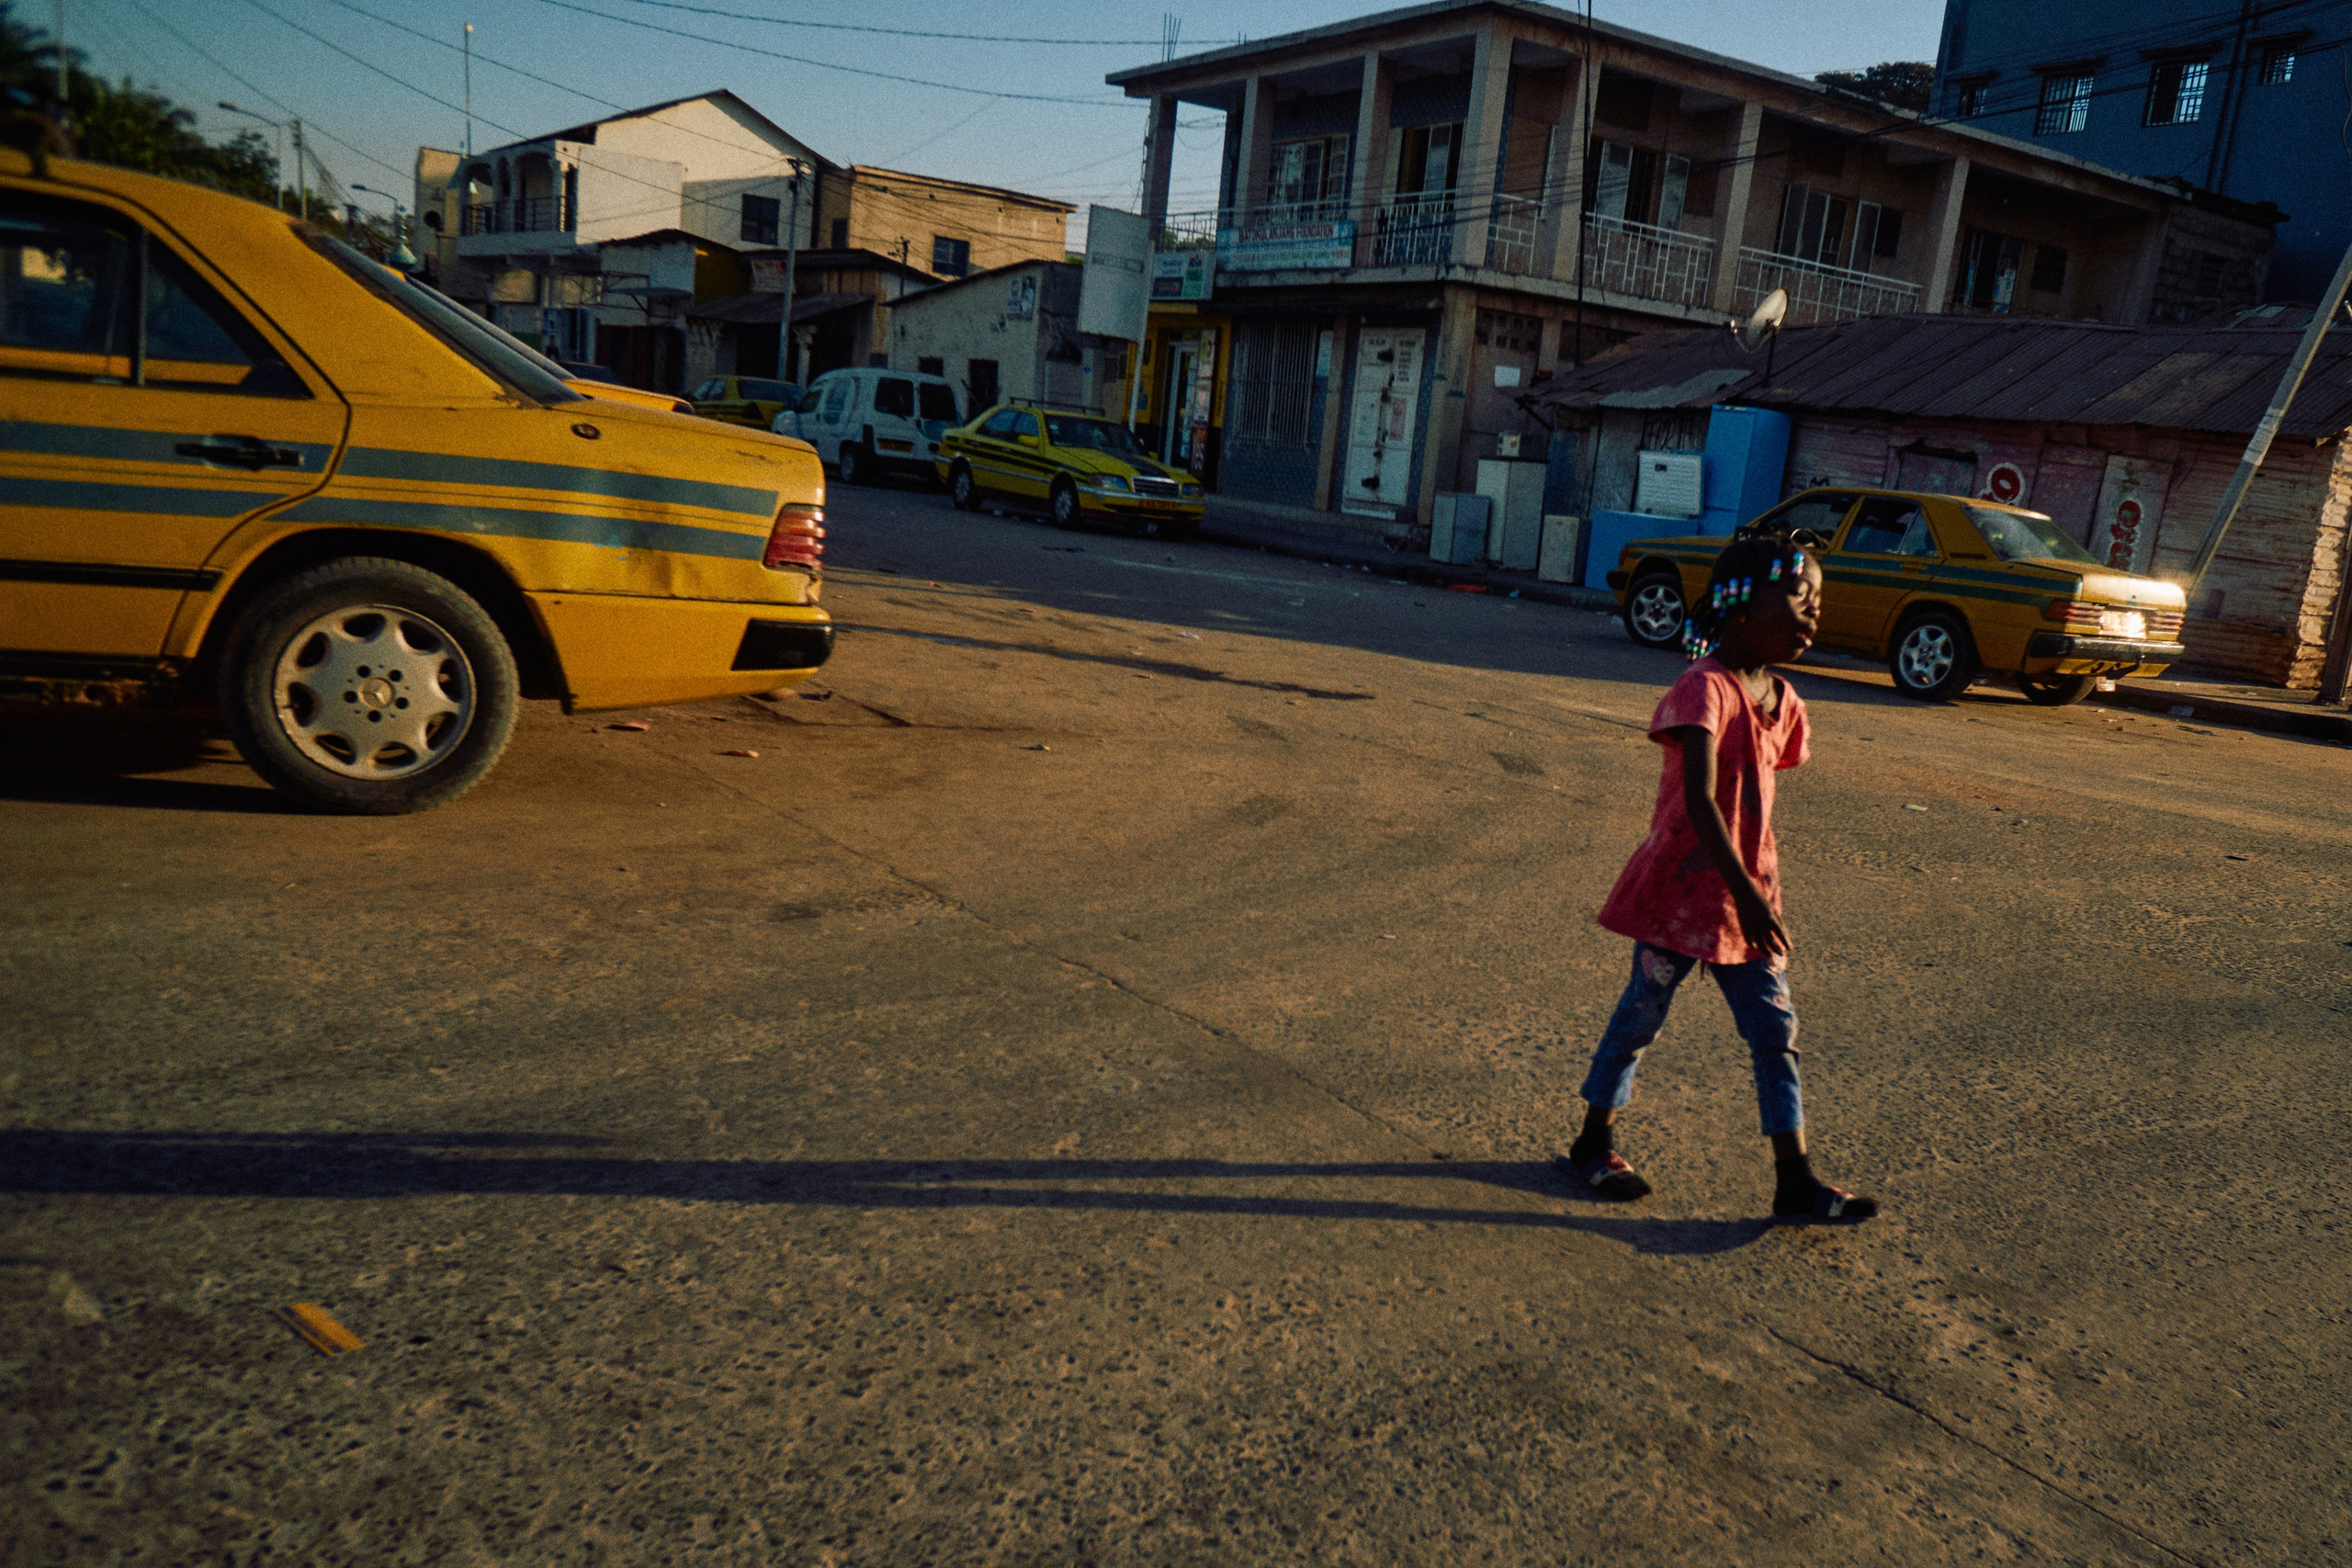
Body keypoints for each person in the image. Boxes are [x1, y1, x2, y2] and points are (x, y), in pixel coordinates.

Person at [1561, 526, 1878, 1223]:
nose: (1812, 609)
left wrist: (1752, 895)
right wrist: (1745, 892)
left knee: (1775, 1033)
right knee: (1638, 1020)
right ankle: (1592, 1142)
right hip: (1684, 896)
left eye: (1817, 597)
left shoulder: (1786, 701)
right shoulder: (1703, 688)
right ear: (1739, 604)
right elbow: (1702, 800)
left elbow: (1763, 784)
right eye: (1797, 592)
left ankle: (1794, 1178)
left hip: (1747, 903)